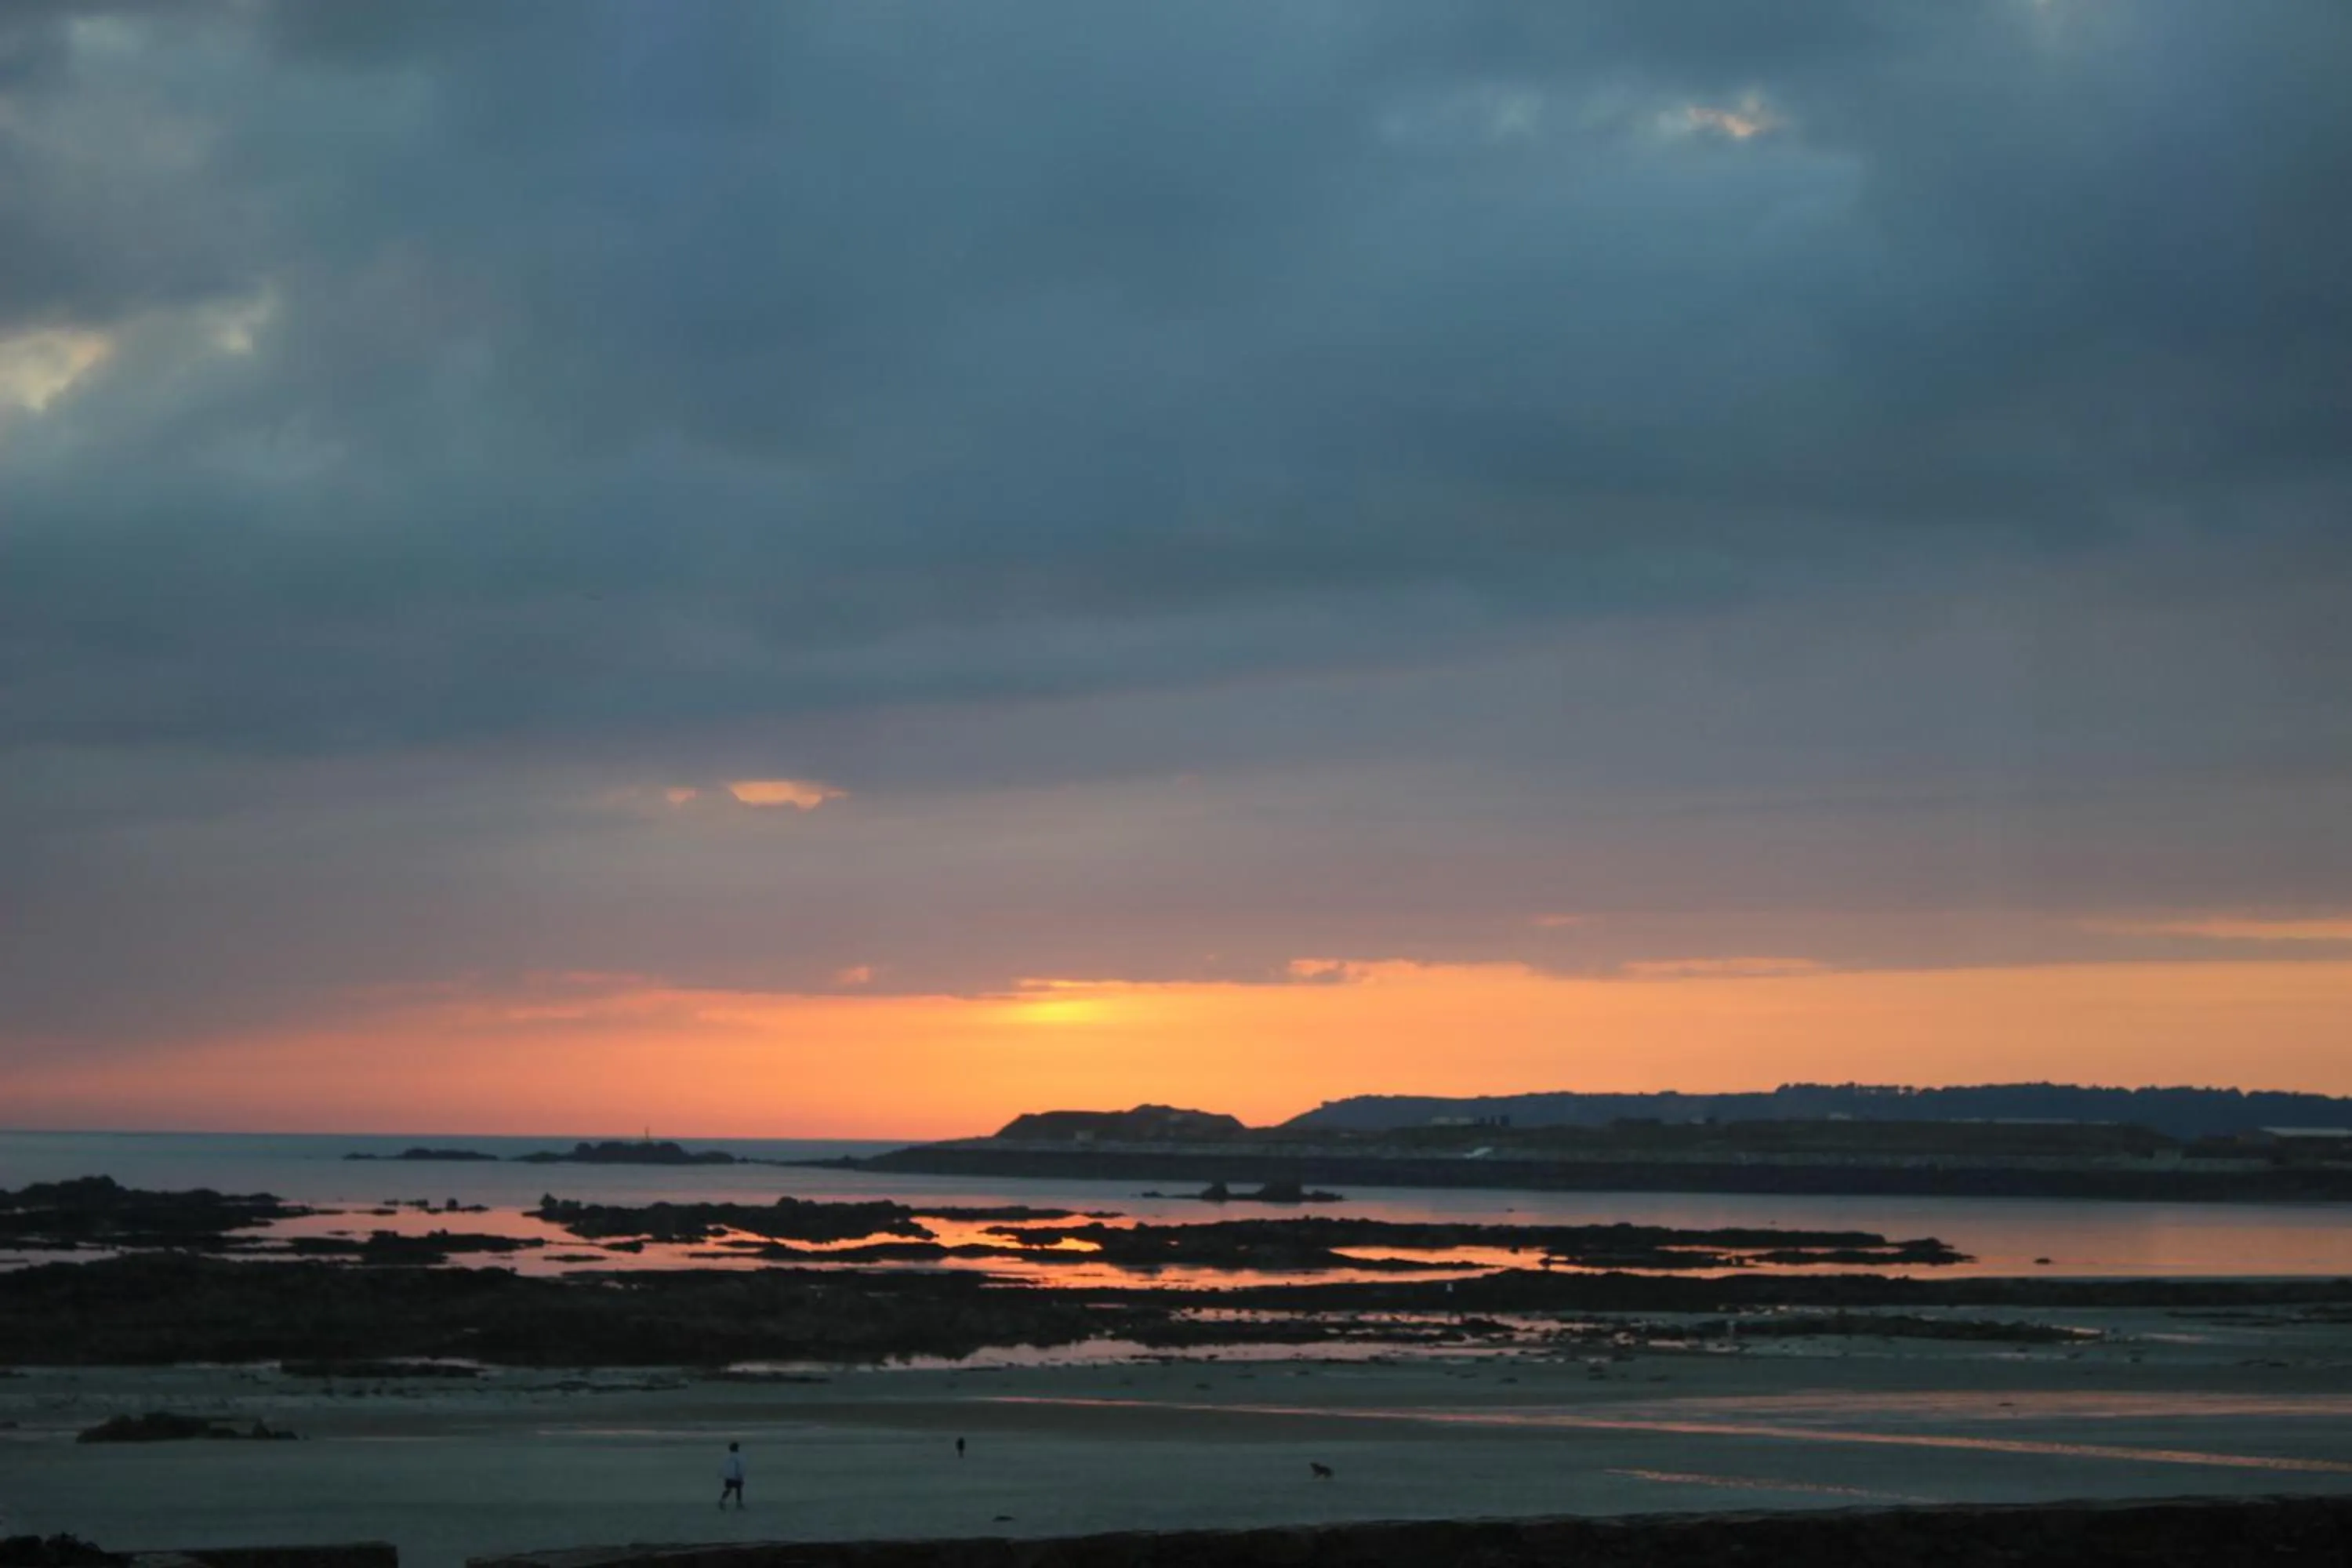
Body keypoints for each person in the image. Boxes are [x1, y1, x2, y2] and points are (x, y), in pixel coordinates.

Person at [719, 1441, 746, 1509]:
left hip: (728, 1477)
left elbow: (723, 1467)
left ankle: (722, 1500)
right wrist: (741, 1476)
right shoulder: (739, 1457)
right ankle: (739, 1502)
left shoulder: (727, 1457)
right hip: (736, 1476)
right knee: (739, 1489)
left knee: (728, 1489)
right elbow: (741, 1467)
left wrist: (724, 1475)